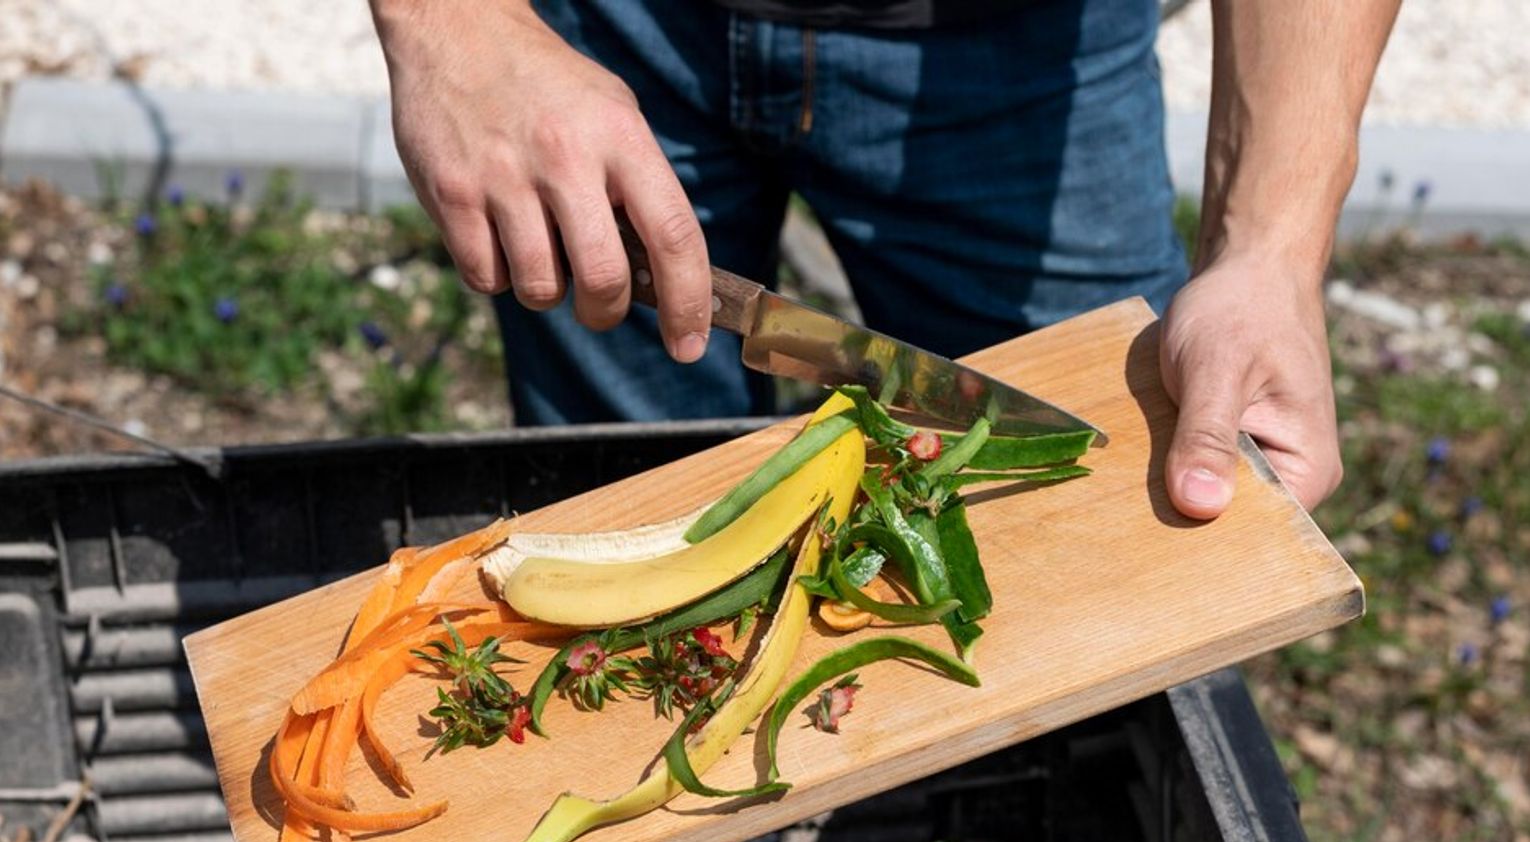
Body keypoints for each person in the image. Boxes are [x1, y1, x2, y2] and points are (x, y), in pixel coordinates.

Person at [367, 0, 1399, 521]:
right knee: (630, 513)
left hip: (1022, 50)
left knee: (1119, 513)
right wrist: (455, 27)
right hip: (582, 42)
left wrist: (1268, 243)